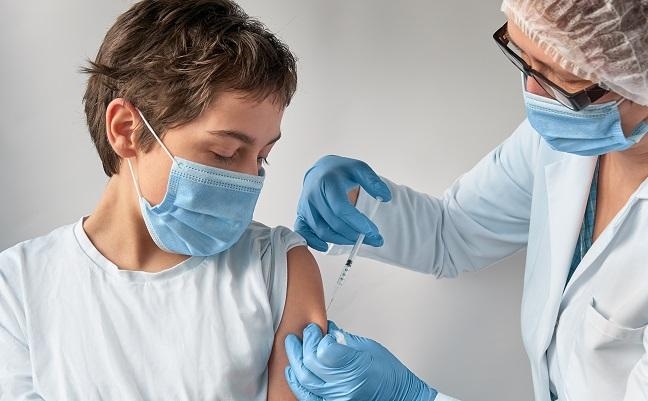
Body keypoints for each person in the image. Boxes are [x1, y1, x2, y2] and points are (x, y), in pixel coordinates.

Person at [284, 1, 648, 401]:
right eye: (525, 60)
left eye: (562, 78)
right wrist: (357, 204)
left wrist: (409, 396)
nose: (532, 93)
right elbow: (454, 231)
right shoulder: (565, 140)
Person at [0, 1, 327, 400]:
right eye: (225, 152)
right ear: (126, 130)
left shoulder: (277, 267)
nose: (248, 179)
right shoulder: (17, 288)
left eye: (262, 157)